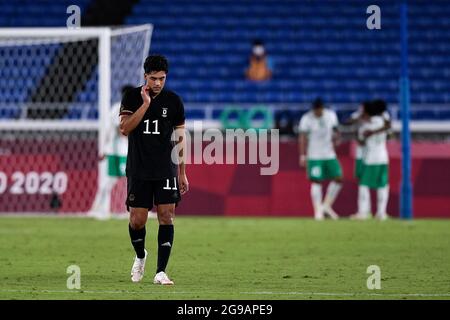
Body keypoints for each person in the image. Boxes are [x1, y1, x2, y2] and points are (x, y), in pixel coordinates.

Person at [119, 54, 189, 285]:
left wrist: (182, 172)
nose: (158, 83)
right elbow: (125, 129)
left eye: (162, 78)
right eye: (153, 78)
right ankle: (140, 255)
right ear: (145, 76)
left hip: (165, 169)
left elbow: (180, 138)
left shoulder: (174, 101)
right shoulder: (131, 97)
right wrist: (146, 105)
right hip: (139, 168)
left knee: (166, 216)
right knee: (137, 220)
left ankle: (161, 271)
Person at [90, 85, 134, 219]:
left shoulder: (119, 108)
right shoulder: (119, 109)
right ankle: (99, 209)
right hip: (118, 151)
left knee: (128, 180)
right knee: (113, 180)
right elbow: (119, 130)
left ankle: (101, 208)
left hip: (121, 150)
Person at [298, 98, 343, 220]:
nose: (317, 113)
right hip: (314, 155)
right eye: (316, 111)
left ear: (322, 108)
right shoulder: (306, 119)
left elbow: (336, 130)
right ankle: (318, 211)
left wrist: (338, 137)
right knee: (316, 181)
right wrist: (303, 155)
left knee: (339, 178)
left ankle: (326, 206)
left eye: (319, 110)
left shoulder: (331, 115)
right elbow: (302, 137)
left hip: (329, 154)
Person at [353, 100, 391, 220]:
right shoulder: (383, 122)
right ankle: (381, 213)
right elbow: (389, 133)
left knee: (364, 185)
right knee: (383, 185)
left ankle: (363, 212)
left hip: (370, 159)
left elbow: (361, 143)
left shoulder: (366, 126)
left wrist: (358, 134)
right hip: (383, 157)